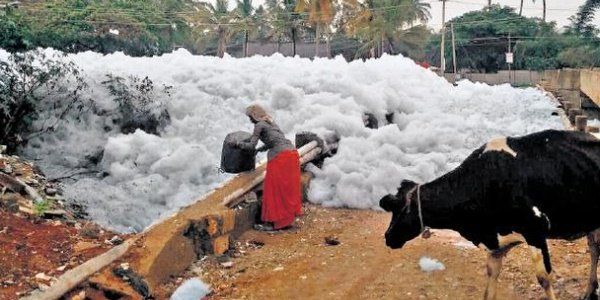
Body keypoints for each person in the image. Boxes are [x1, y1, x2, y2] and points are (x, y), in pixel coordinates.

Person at [235, 104, 302, 231]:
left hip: (280, 157)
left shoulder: (259, 125)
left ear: (254, 116)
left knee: (274, 190)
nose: (250, 120)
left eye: (250, 117)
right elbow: (276, 140)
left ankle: (272, 223)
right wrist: (260, 150)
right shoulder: (271, 122)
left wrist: (237, 144)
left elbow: (250, 145)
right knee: (287, 189)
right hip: (293, 154)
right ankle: (285, 221)